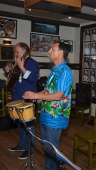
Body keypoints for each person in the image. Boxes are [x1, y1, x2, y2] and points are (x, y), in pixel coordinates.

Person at [23, 41, 73, 170]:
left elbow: (58, 96)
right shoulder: (55, 70)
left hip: (55, 117)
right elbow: (47, 92)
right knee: (47, 148)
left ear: (61, 52)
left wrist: (36, 96)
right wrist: (33, 94)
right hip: (46, 115)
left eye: (52, 49)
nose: (49, 51)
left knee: (52, 149)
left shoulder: (65, 71)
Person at [4, 42, 40, 160]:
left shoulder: (32, 63)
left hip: (27, 99)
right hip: (17, 97)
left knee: (28, 125)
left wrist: (21, 67)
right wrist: (8, 70)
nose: (15, 54)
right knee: (20, 125)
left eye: (17, 52)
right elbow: (14, 77)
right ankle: (22, 145)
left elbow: (32, 78)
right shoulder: (18, 62)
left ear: (24, 51)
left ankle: (30, 149)